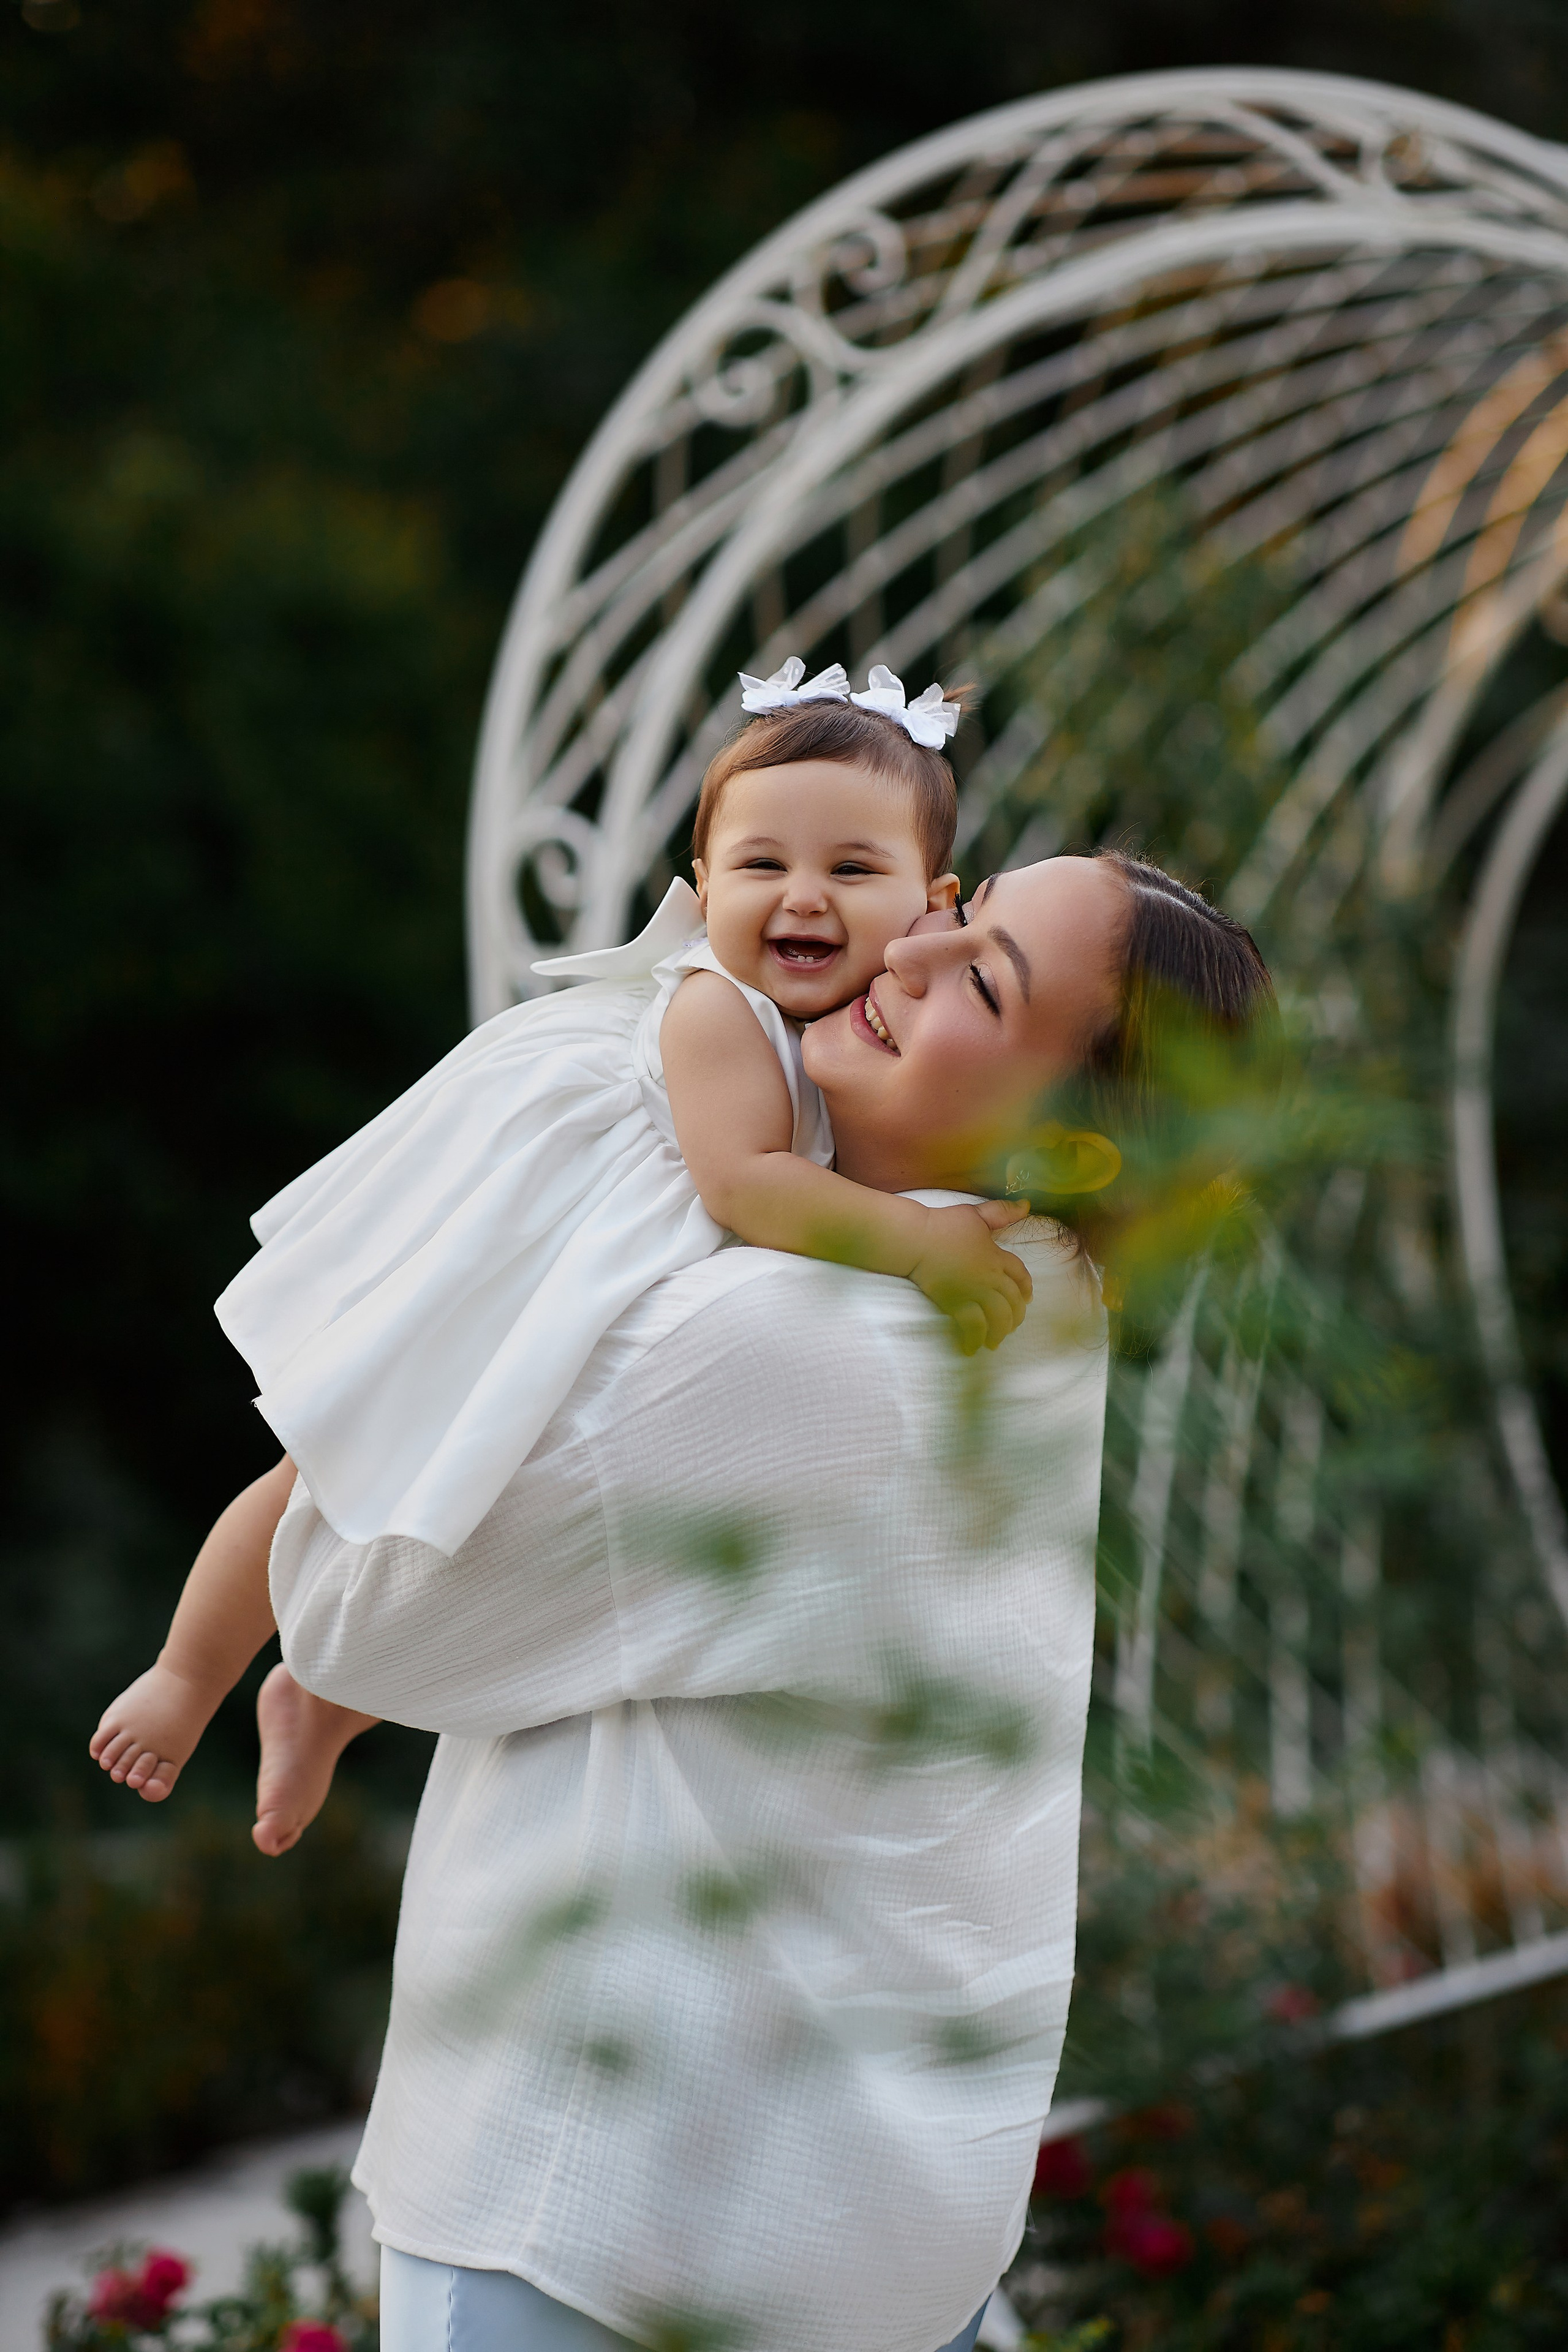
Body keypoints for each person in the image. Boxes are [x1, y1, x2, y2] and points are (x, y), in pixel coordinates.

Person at [269, 851, 1275, 2352]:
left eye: (980, 980)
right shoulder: (1041, 1297)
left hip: (606, 2227)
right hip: (875, 2230)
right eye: (959, 908)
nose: (906, 952)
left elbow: (352, 1617)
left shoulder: (806, 1339)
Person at [90, 663, 1045, 1853]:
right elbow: (745, 1184)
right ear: (702, 887)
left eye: (851, 871)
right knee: (337, 1462)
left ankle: (325, 1705)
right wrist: (918, 1243)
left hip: (628, 1255)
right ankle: (187, 1676)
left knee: (499, 1495)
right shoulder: (720, 1009)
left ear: (932, 903)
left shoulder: (856, 1025)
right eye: (760, 866)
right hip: (544, 1238)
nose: (802, 898)